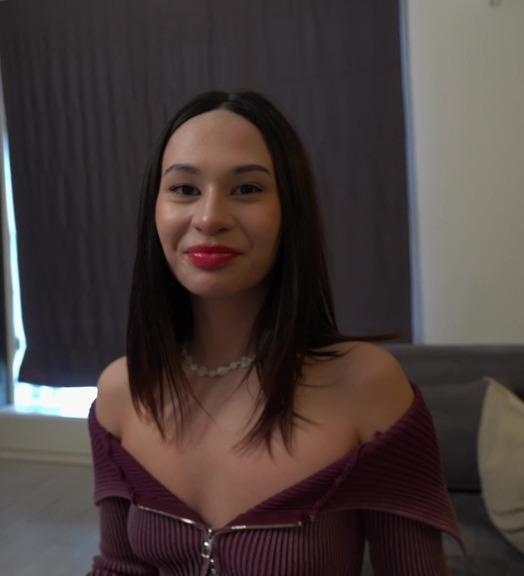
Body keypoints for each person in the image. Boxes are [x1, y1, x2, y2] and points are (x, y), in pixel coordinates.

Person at [87, 91, 466, 575]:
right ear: (154, 210)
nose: (210, 217)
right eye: (184, 188)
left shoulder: (367, 386)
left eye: (247, 189)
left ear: (290, 211)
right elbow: (118, 568)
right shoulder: (121, 392)